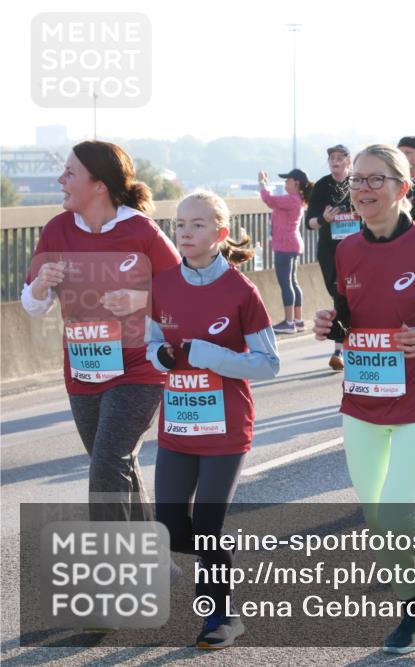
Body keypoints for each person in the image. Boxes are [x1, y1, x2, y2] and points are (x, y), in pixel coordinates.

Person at [312, 145, 415, 654]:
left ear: (403, 188)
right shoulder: (346, 249)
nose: (362, 189)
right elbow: (349, 315)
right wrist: (331, 326)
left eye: (375, 180)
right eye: (357, 180)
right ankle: (413, 615)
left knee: (397, 515)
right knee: (375, 517)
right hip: (362, 398)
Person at [146, 190, 280, 649]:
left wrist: (209, 354)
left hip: (226, 431)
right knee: (169, 526)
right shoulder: (161, 285)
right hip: (178, 428)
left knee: (205, 524)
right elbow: (149, 344)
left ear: (220, 234)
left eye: (198, 224)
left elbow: (267, 363)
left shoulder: (242, 291)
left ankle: (219, 616)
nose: (185, 231)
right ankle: (217, 549)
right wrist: (159, 356)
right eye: (180, 223)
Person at [22, 140, 181, 521]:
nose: (60, 179)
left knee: (108, 461)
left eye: (70, 173)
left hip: (139, 367)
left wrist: (140, 300)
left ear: (99, 185)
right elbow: (33, 304)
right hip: (83, 367)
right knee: (112, 461)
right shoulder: (57, 230)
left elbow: (183, 295)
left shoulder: (141, 231)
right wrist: (42, 283)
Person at [306, 145, 355, 370]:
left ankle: (340, 350)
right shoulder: (322, 186)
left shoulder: (359, 183)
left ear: (348, 160)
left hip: (359, 249)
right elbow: (310, 223)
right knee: (340, 296)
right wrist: (324, 219)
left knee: (352, 297)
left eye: (339, 158)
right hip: (330, 252)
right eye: (331, 158)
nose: (335, 162)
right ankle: (345, 346)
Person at [259, 167, 312, 333]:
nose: (285, 182)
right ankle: (298, 320)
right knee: (293, 282)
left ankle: (289, 323)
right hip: (291, 244)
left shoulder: (292, 200)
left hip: (285, 245)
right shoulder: (297, 200)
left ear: (296, 183)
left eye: (287, 180)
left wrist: (262, 183)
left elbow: (269, 200)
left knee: (286, 283)